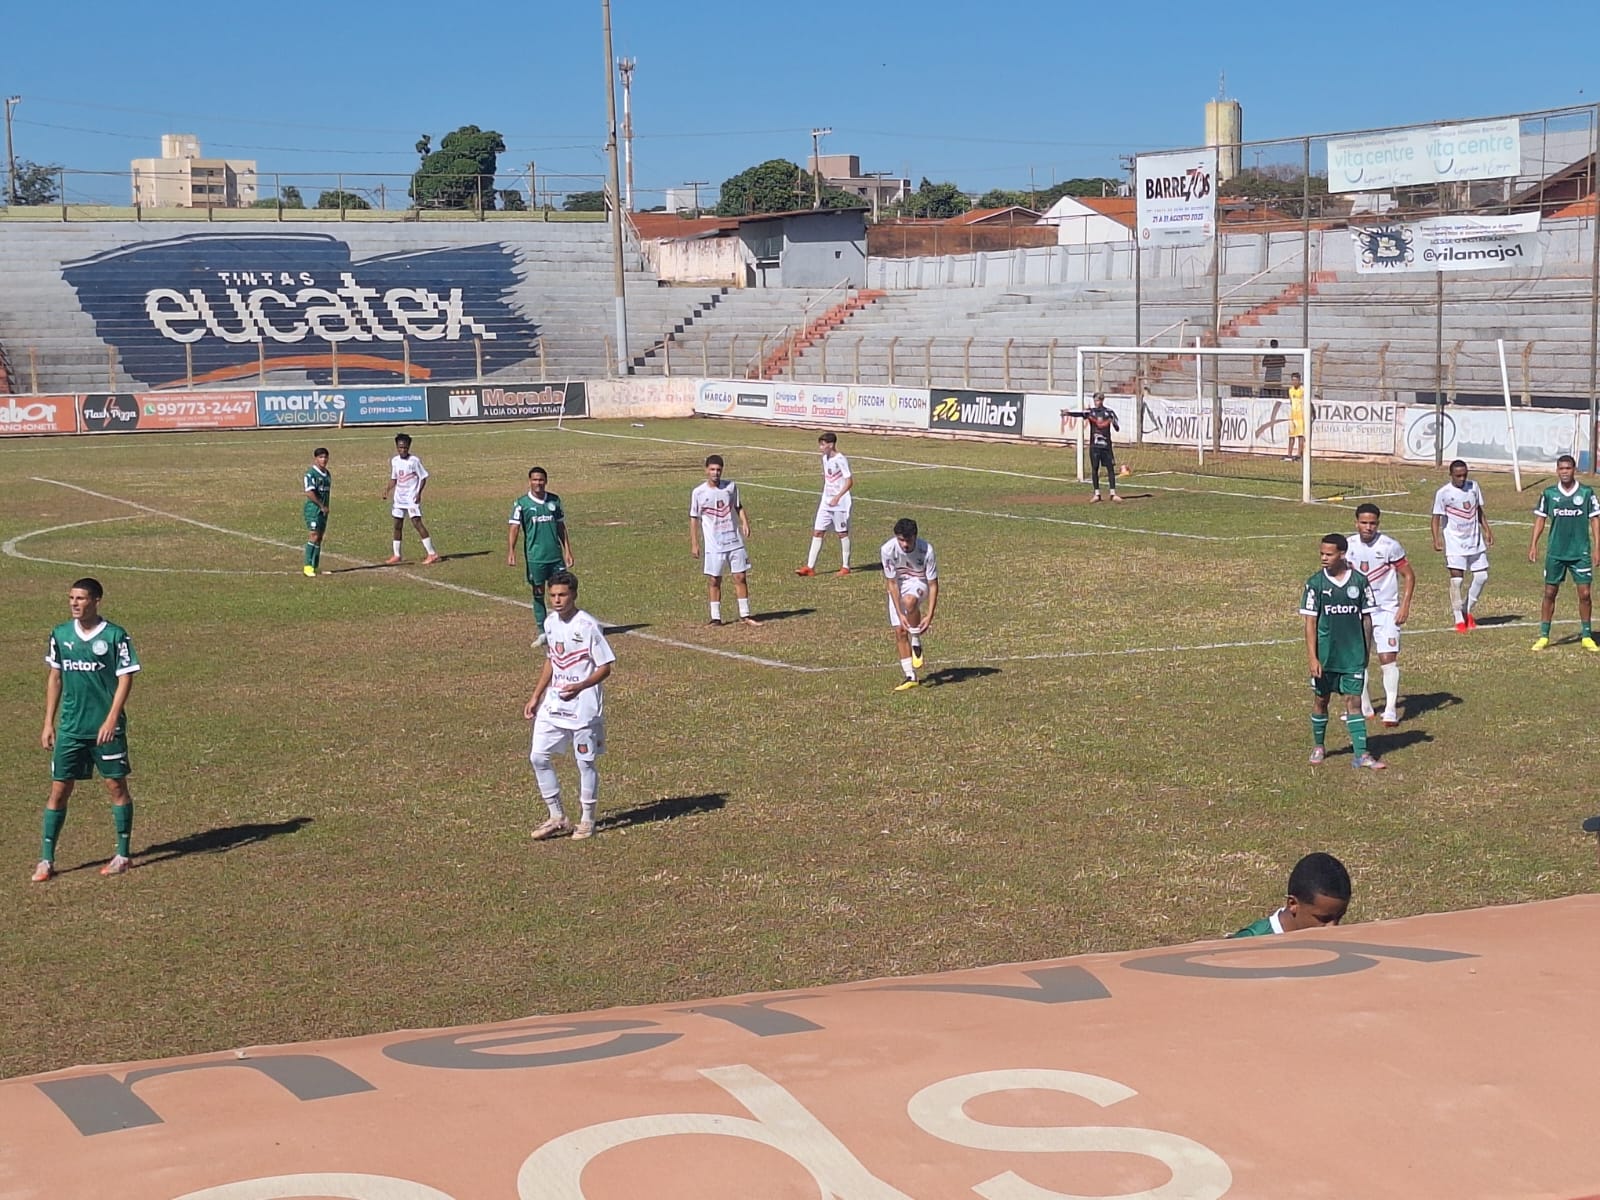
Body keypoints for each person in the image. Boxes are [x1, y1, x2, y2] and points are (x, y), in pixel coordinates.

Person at [33, 578, 142, 882]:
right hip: (71, 728)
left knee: (116, 787)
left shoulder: (115, 636)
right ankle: (46, 860)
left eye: (81, 598)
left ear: (96, 600)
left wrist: (111, 719)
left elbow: (125, 678)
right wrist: (48, 723)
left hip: (105, 729)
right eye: (71, 598)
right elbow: (55, 678)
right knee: (59, 790)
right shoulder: (61, 634)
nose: (74, 603)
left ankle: (122, 854)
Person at [524, 571, 615, 842]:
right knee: (538, 757)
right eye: (553, 595)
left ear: (574, 595)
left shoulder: (587, 625)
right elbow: (552, 660)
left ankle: (587, 820)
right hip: (554, 703)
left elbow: (605, 667)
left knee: (584, 763)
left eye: (562, 595)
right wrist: (535, 696)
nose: (557, 600)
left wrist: (580, 685)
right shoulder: (551, 623)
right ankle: (557, 816)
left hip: (583, 707)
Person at [1301, 533, 1386, 770]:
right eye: (1321, 554)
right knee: (1321, 700)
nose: (1324, 558)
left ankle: (1361, 754)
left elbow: (1367, 619)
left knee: (1354, 701)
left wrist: (1366, 651)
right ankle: (1319, 745)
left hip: (1352, 655)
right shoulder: (1315, 584)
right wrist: (1312, 657)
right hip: (1326, 656)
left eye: (1329, 554)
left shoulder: (1359, 582)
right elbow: (1310, 623)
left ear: (1342, 554)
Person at [1348, 504, 1415, 727]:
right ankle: (1365, 707)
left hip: (1386, 610)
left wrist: (1404, 606)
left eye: (1373, 523)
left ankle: (1390, 709)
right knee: (1359, 660)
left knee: (1388, 658)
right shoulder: (1348, 546)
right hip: (1359, 611)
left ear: (1378, 523)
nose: (1368, 527)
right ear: (1356, 522)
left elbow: (1409, 576)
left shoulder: (1390, 546)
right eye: (1364, 523)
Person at [1527, 454, 1600, 653]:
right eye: (1561, 469)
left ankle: (1586, 636)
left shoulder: (1586, 493)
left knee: (1585, 594)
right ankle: (1544, 635)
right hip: (1556, 553)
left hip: (1580, 552)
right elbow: (1540, 519)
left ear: (1574, 469)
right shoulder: (1549, 494)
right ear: (1557, 471)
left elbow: (1595, 520)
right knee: (1550, 592)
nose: (1565, 472)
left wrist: (1597, 548)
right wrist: (1533, 544)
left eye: (1568, 468)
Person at [688, 455, 762, 627]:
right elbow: (694, 518)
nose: (715, 473)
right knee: (715, 579)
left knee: (740, 576)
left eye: (718, 469)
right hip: (714, 544)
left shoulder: (731, 487)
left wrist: (745, 522)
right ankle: (715, 617)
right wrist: (695, 543)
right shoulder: (698, 493)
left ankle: (745, 614)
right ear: (706, 470)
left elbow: (738, 506)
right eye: (712, 469)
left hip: (734, 540)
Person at [508, 466, 575, 647]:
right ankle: (542, 632)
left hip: (555, 558)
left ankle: (563, 627)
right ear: (529, 481)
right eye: (534, 480)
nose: (538, 483)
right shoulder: (522, 504)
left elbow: (561, 526)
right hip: (535, 558)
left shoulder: (554, 500)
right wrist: (511, 551)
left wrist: (567, 550)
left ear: (546, 481)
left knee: (563, 592)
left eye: (541, 480)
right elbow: (514, 528)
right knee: (538, 593)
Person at [1431, 459, 1492, 632]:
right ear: (1450, 475)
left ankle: (1466, 609)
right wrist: (1436, 538)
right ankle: (1458, 617)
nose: (1462, 478)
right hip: (1455, 542)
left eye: (1464, 475)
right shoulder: (1443, 493)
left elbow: (1479, 511)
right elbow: (1435, 517)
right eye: (1458, 475)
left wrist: (1487, 529)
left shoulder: (1474, 487)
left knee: (1482, 577)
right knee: (1457, 579)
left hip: (1475, 540)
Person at [1229, 852, 1351, 937]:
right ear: (1292, 904)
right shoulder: (1250, 943)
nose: (1333, 928)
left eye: (1339, 917)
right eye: (1324, 919)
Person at [881, 517, 939, 691]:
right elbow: (891, 583)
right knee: (899, 630)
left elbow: (933, 584)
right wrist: (900, 614)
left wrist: (929, 615)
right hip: (898, 585)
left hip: (918, 582)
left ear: (915, 536)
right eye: (901, 540)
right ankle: (910, 676)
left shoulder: (926, 550)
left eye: (908, 539)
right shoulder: (887, 550)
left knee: (909, 601)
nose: (905, 544)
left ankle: (915, 638)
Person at [796, 432, 853, 576]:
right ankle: (810, 567)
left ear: (831, 445)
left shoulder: (841, 460)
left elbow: (849, 481)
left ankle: (846, 566)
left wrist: (838, 497)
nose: (820, 448)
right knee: (818, 531)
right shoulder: (824, 458)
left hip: (839, 503)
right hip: (825, 502)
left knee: (842, 533)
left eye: (823, 445)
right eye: (820, 444)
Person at [382, 433, 440, 565]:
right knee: (397, 525)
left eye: (405, 448)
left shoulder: (414, 461)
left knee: (417, 523)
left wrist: (419, 493)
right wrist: (387, 489)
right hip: (399, 499)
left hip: (411, 498)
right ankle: (397, 555)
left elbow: (423, 477)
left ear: (409, 447)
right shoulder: (395, 461)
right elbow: (394, 478)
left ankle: (432, 553)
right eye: (400, 447)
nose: (402, 450)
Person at [1060, 392, 1123, 502]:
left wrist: (1113, 422)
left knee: (1110, 469)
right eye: (1095, 401)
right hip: (1094, 446)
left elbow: (1117, 428)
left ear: (1102, 400)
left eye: (1098, 400)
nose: (1096, 403)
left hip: (1106, 446)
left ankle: (1113, 493)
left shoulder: (1109, 412)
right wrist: (1068, 413)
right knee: (1094, 469)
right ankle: (1097, 494)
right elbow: (1079, 414)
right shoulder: (1091, 412)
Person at [302, 446, 331, 577]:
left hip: (323, 511)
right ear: (315, 459)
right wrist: (320, 505)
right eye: (320, 457)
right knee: (313, 535)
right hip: (313, 510)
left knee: (319, 538)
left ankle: (315, 566)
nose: (323, 459)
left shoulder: (327, 474)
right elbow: (309, 493)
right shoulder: (310, 474)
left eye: (325, 457)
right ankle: (307, 566)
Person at [1285, 372, 1306, 462]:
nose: (1294, 382)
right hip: (1292, 415)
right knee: (1291, 436)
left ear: (1299, 381)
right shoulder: (1290, 390)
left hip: (1300, 416)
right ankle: (1289, 454)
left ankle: (1299, 455)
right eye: (1293, 380)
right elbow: (1291, 402)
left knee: (1300, 436)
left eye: (1296, 380)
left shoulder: (1303, 390)